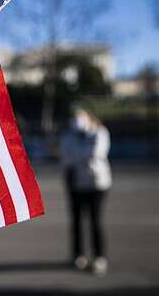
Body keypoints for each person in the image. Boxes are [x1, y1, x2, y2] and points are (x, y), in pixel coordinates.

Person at [60, 107, 112, 277]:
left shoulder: (100, 132)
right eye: (74, 118)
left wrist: (76, 155)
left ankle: (99, 257)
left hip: (97, 184)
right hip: (75, 183)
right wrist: (79, 156)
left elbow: (96, 153)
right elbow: (66, 157)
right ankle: (78, 255)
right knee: (76, 221)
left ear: (89, 117)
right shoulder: (68, 136)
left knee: (95, 221)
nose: (76, 121)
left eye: (80, 117)